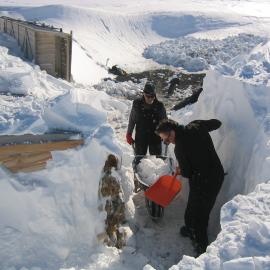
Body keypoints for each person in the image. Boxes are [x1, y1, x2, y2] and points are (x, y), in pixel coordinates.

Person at [155, 119, 224, 256]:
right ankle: (189, 228)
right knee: (193, 204)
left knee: (201, 214)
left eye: (167, 139)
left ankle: (201, 248)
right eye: (164, 141)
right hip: (216, 173)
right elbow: (216, 123)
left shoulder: (180, 147)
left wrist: (182, 168)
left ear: (172, 131)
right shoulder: (196, 125)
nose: (168, 142)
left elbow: (186, 173)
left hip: (204, 181)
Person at [126, 82, 167, 155]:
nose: (150, 98)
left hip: (155, 136)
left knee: (156, 161)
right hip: (141, 136)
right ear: (144, 94)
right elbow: (132, 120)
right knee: (139, 159)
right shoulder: (137, 104)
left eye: (152, 96)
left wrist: (166, 134)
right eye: (148, 96)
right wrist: (129, 133)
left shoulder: (159, 106)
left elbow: (165, 122)